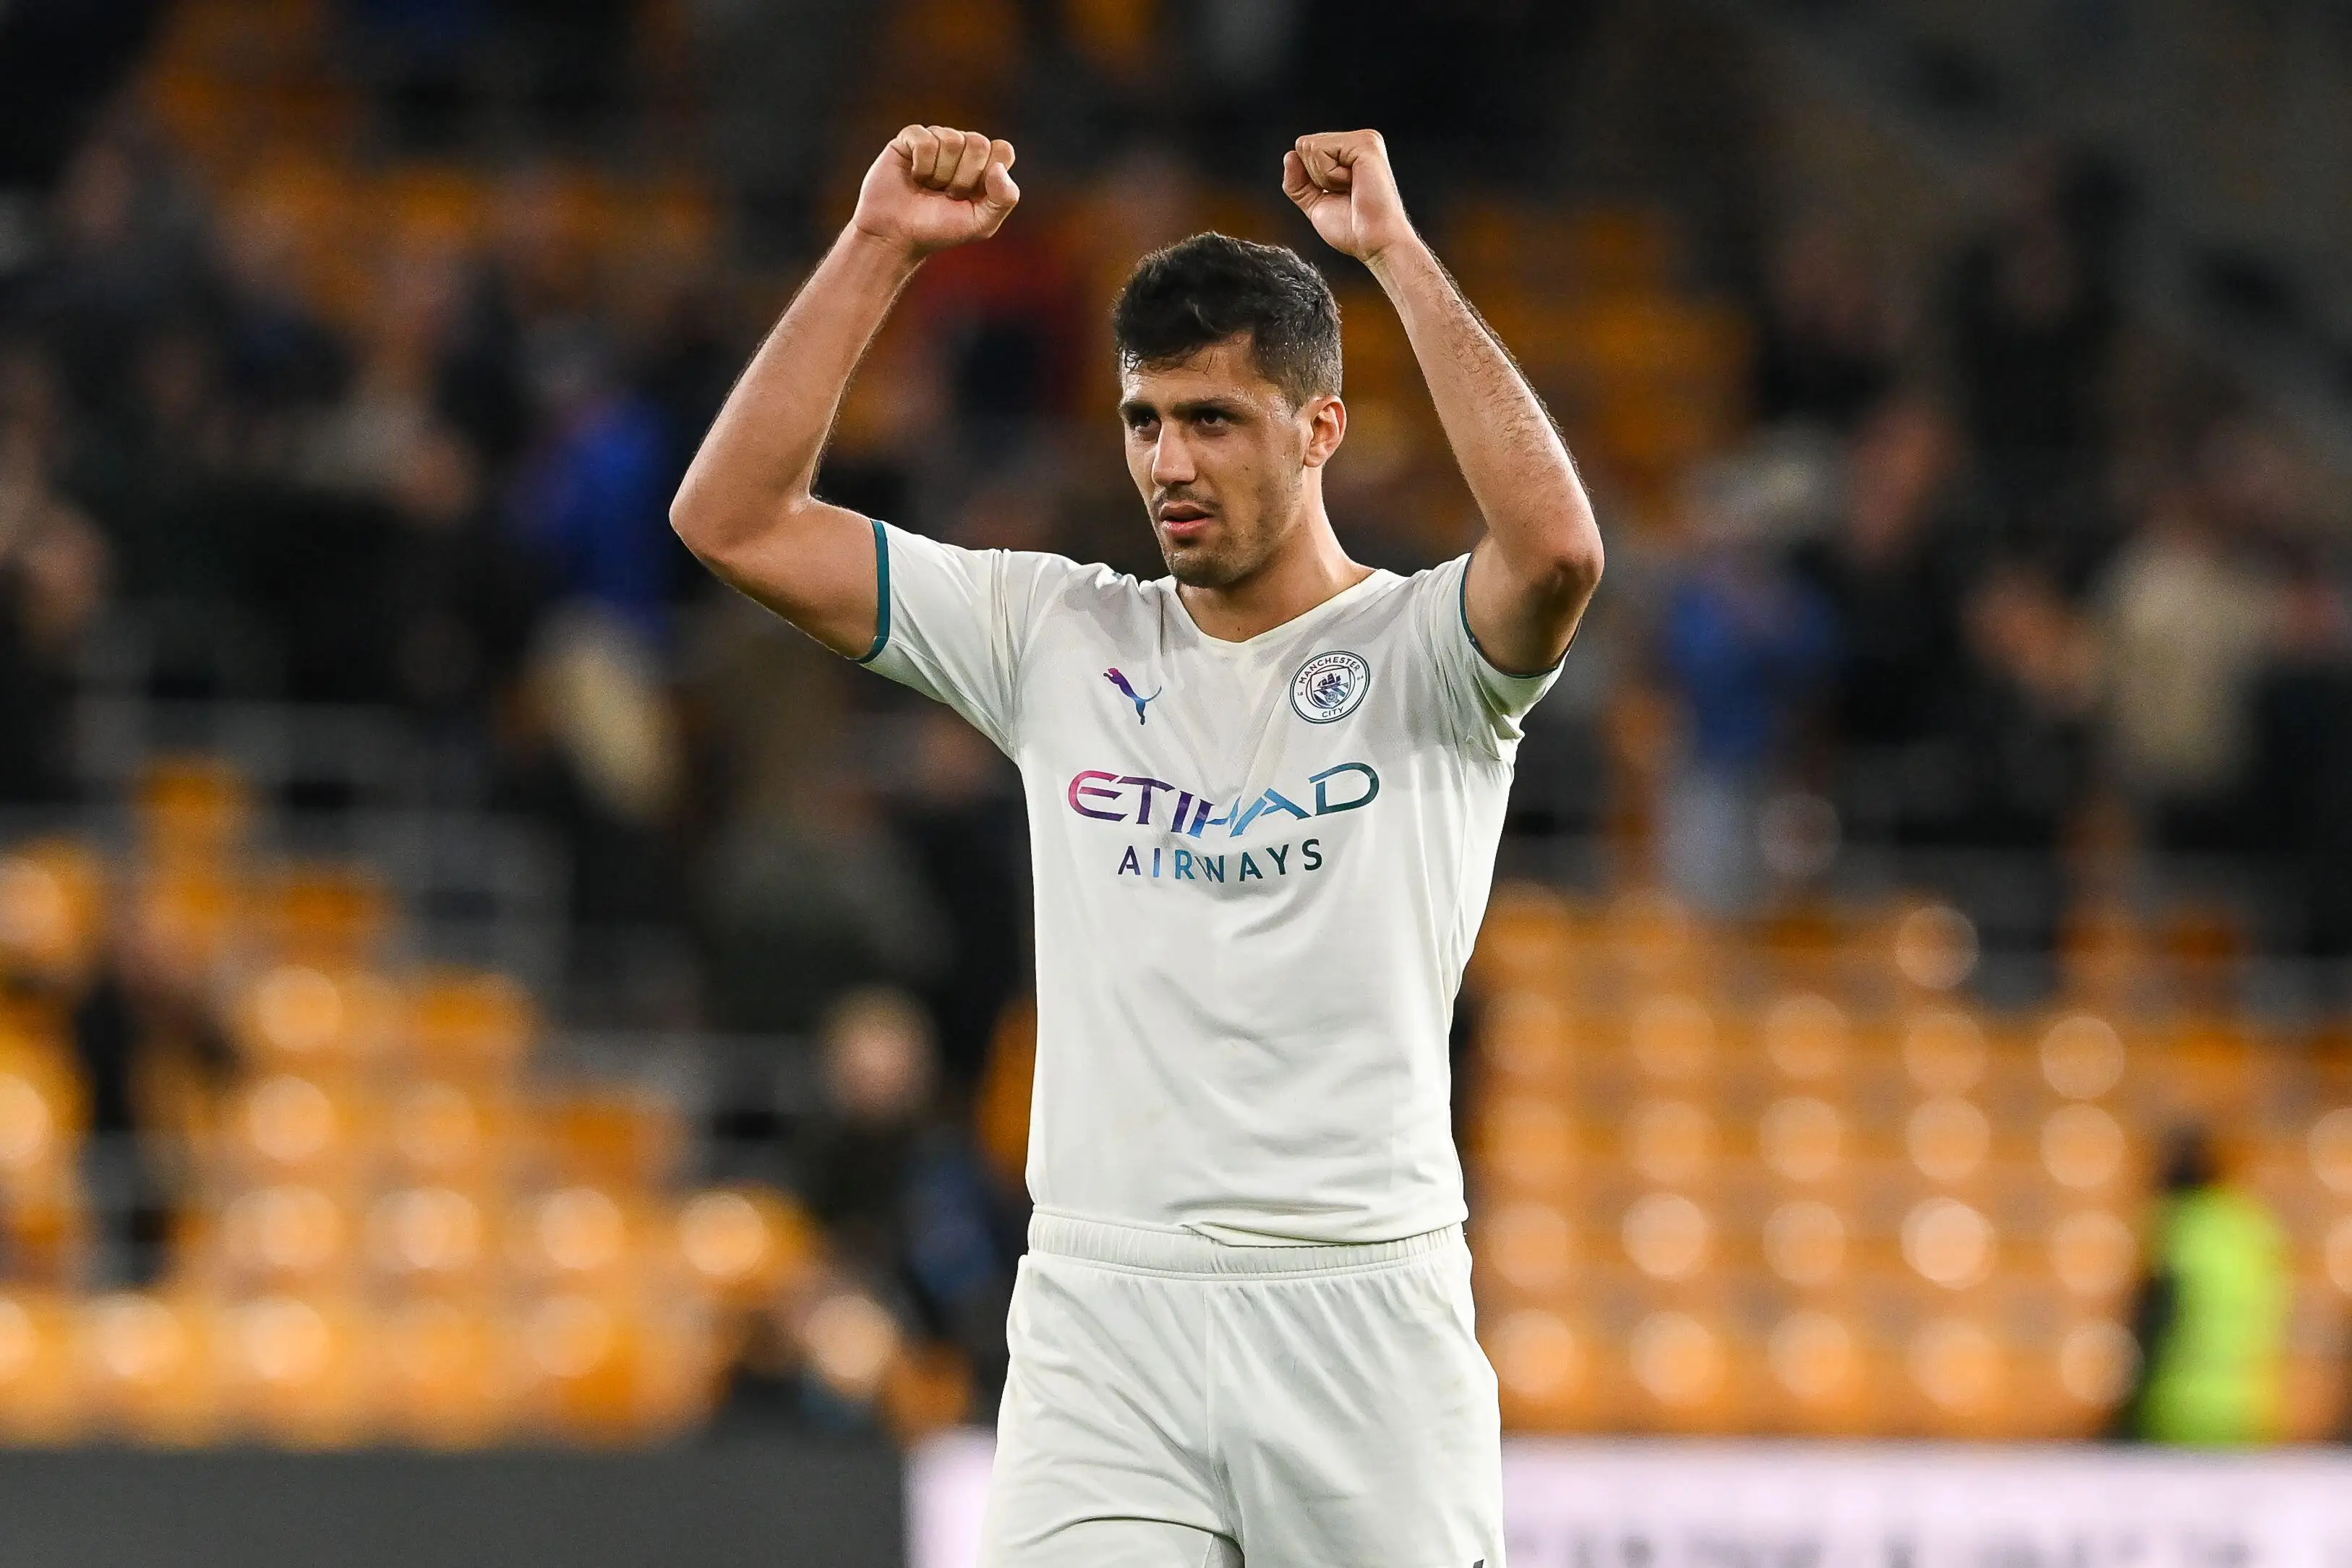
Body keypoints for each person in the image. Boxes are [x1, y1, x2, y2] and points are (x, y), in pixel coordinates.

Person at [672, 124, 1602, 1567]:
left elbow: (1555, 554)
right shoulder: (1056, 633)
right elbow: (731, 518)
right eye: (1145, 418)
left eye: (1216, 418)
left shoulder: (1424, 651)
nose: (1169, 459)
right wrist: (881, 250)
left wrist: (1397, 260)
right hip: (1106, 1321)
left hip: (1356, 1312)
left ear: (1320, 425)